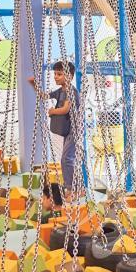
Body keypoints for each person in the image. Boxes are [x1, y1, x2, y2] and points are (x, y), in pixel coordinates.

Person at [29, 61, 79, 191]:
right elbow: (44, 96)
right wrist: (34, 85)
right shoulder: (60, 91)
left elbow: (65, 109)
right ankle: (71, 186)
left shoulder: (71, 91)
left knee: (66, 159)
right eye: (55, 74)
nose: (56, 77)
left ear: (69, 76)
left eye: (59, 74)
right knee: (66, 159)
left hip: (75, 130)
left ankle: (72, 188)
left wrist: (52, 111)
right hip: (68, 130)